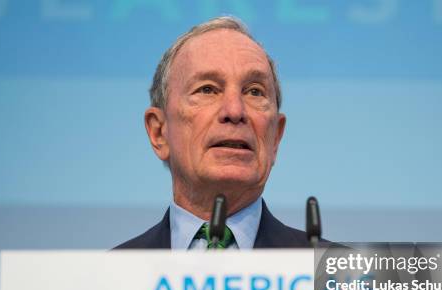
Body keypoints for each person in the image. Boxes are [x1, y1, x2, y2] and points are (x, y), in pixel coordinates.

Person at [116, 16, 311, 250]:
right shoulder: (104, 276)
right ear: (159, 132)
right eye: (207, 89)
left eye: (254, 92)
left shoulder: (344, 278)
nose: (235, 110)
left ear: (275, 139)